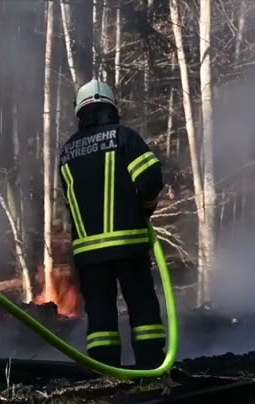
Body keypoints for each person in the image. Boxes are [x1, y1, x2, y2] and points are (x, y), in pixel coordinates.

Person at [57, 79, 166, 371]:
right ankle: (151, 369)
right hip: (128, 244)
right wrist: (144, 208)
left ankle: (105, 375)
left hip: (88, 254)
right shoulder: (124, 138)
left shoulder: (67, 151)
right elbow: (151, 179)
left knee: (100, 316)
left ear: (80, 113)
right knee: (142, 305)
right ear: (111, 108)